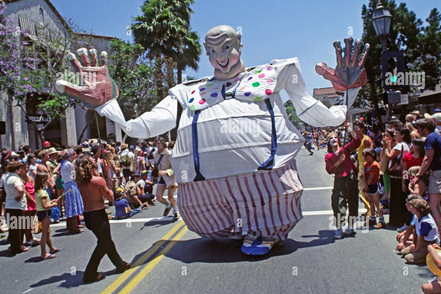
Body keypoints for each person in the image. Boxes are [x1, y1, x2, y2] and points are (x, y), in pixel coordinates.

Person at [56, 25, 369, 255]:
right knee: (207, 221)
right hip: (207, 184)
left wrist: (347, 94)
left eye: (226, 48)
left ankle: (263, 231)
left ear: (240, 46)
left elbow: (316, 113)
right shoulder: (189, 90)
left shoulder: (274, 73)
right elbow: (143, 126)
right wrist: (108, 106)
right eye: (212, 51)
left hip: (266, 172)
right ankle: (232, 228)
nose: (220, 57)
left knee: (269, 205)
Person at [75, 155, 130, 283]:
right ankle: (90, 273)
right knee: (103, 243)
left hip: (88, 216)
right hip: (98, 215)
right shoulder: (98, 180)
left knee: (106, 241)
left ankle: (120, 264)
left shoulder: (80, 182)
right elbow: (109, 196)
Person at [413, 118, 441, 241]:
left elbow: (427, 158)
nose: (418, 131)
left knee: (434, 205)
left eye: (419, 129)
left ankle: (439, 238)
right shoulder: (437, 136)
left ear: (424, 128)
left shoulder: (430, 138)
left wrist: (418, 175)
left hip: (438, 174)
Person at [325, 121, 362, 239]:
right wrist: (339, 162)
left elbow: (357, 142)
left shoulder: (345, 149)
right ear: (329, 142)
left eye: (335, 137)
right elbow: (329, 170)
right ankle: (338, 228)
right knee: (337, 203)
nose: (334, 139)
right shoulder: (328, 156)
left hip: (350, 179)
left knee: (352, 202)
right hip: (339, 181)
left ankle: (350, 226)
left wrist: (349, 129)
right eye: (331, 138)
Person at [384, 126, 411, 230]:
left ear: (402, 135)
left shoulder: (400, 145)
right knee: (400, 198)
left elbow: (390, 156)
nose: (395, 135)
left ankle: (396, 221)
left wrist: (386, 147)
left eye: (397, 133)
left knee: (396, 198)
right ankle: (401, 220)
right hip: (402, 175)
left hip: (397, 175)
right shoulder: (407, 145)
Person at [400, 198, 440, 264]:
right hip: (420, 243)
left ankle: (427, 259)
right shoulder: (417, 216)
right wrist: (413, 243)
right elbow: (415, 229)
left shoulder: (426, 222)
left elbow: (421, 238)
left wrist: (416, 249)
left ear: (416, 210)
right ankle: (421, 254)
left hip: (428, 244)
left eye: (412, 206)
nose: (410, 207)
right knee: (403, 252)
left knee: (408, 258)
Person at [34, 172, 60, 260]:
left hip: (41, 212)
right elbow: (45, 206)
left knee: (48, 231)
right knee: (45, 233)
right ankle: (43, 253)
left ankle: (51, 248)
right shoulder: (43, 193)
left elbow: (43, 204)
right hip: (45, 213)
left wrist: (51, 202)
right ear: (43, 181)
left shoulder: (38, 191)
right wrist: (53, 205)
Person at [4, 161, 28, 255]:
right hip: (17, 205)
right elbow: (20, 189)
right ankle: (19, 246)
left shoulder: (7, 178)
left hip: (9, 204)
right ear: (17, 169)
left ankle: (14, 246)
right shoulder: (16, 179)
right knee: (19, 227)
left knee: (13, 228)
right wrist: (20, 195)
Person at [59, 148, 84, 234]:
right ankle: (74, 228)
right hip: (71, 184)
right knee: (73, 206)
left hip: (67, 185)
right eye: (73, 155)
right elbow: (74, 175)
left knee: (69, 205)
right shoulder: (68, 164)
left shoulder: (63, 163)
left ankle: (70, 226)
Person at [153, 138, 178, 220]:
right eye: (156, 144)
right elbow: (155, 164)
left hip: (170, 177)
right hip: (161, 178)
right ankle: (168, 205)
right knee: (159, 197)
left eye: (158, 143)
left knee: (171, 197)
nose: (157, 145)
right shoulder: (155, 154)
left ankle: (176, 211)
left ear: (163, 144)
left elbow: (176, 167)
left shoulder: (169, 153)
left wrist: (166, 172)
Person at [353, 119, 373, 219]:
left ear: (362, 129)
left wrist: (367, 168)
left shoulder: (366, 140)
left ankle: (371, 210)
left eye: (357, 128)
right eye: (354, 128)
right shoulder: (357, 139)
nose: (355, 130)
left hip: (366, 164)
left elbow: (371, 153)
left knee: (365, 188)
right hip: (360, 163)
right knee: (361, 189)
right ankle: (368, 208)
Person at [361, 148, 384, 229]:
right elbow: (364, 175)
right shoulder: (365, 164)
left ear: (372, 156)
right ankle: (372, 217)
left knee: (377, 202)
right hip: (368, 185)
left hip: (374, 184)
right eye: (364, 156)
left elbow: (371, 176)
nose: (365, 158)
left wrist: (367, 185)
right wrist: (365, 185)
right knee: (370, 202)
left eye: (367, 156)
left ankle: (381, 220)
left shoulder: (375, 165)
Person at [19, 162, 40, 247]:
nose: (26, 169)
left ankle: (31, 237)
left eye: (27, 167)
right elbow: (25, 192)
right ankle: (28, 239)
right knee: (26, 221)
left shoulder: (30, 178)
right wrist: (32, 200)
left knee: (31, 220)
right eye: (24, 168)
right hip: (27, 201)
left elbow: (34, 188)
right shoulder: (20, 179)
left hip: (33, 199)